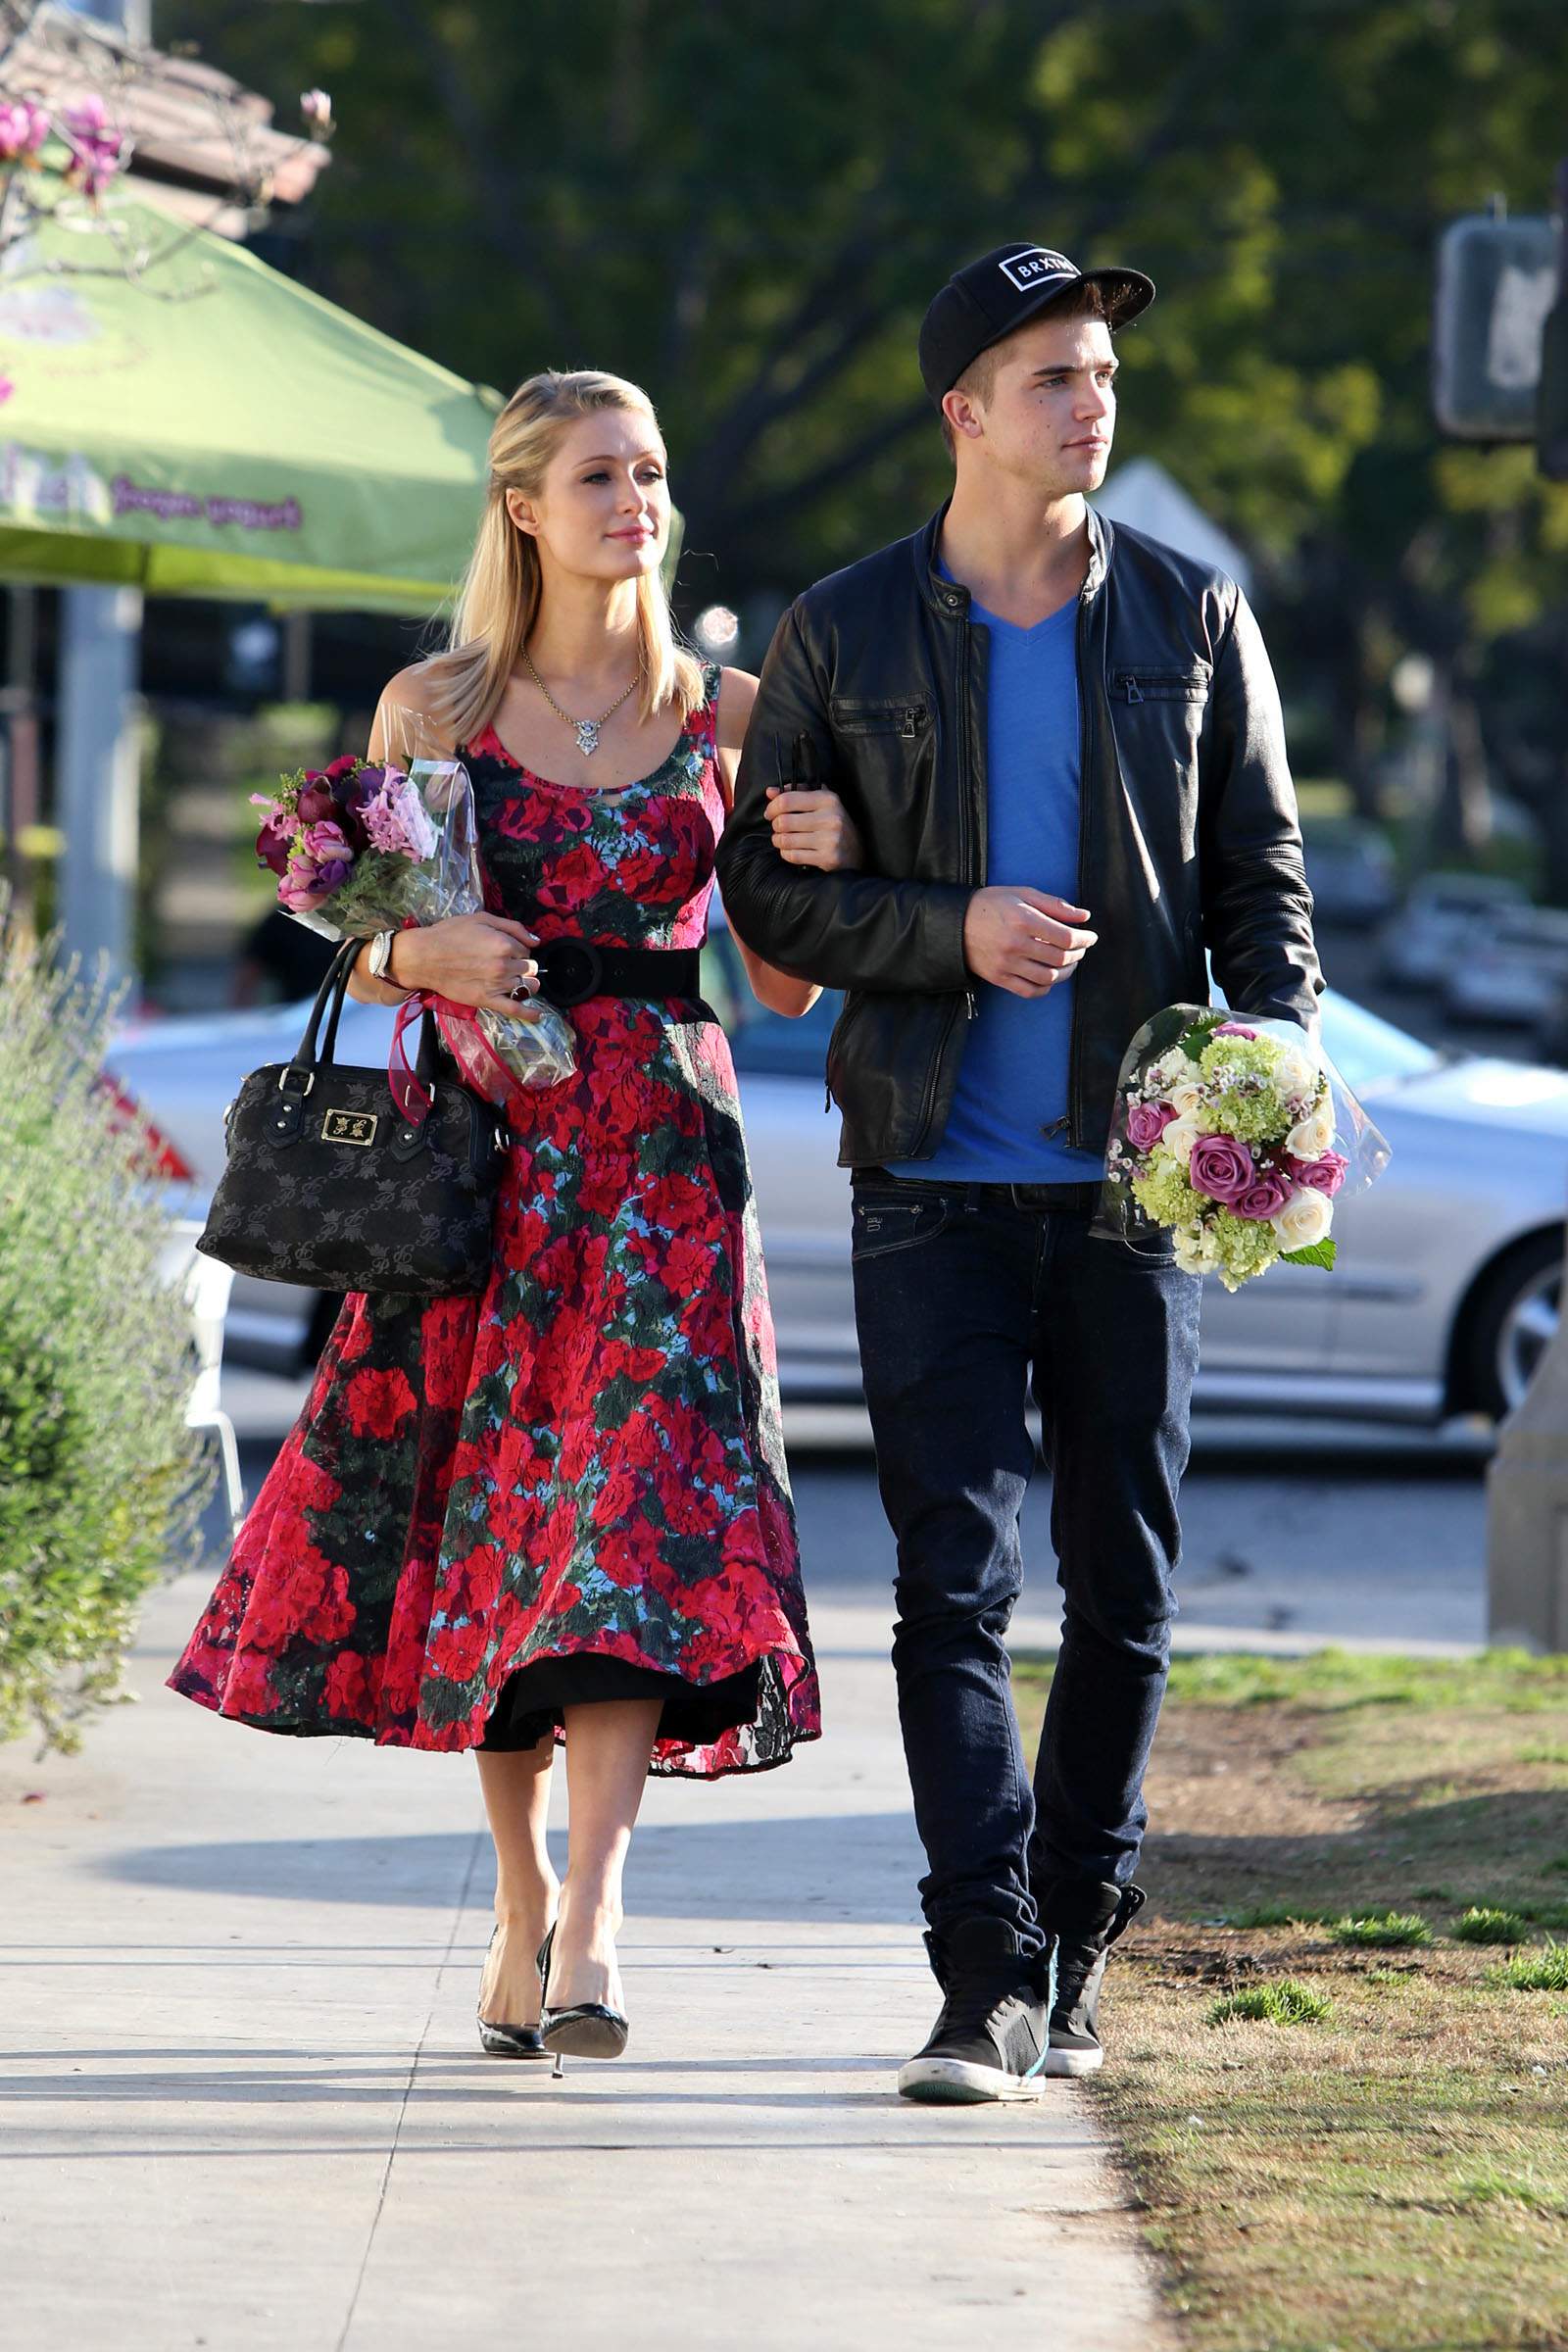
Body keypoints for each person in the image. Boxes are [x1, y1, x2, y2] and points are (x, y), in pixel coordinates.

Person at [170, 368, 860, 2069]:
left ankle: (604, 1918)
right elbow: (352, 932)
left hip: (668, 1178)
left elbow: (775, 986)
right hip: (488, 1172)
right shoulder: (437, 707)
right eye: (601, 474)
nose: (637, 498)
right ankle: (518, 1901)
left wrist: (817, 856)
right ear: (525, 507)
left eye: (652, 470)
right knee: (499, 1540)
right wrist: (419, 951)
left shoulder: (734, 710)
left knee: (628, 1541)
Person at [717, 243, 1323, 2103]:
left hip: (1136, 1189)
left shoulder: (1198, 621)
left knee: (1123, 1585)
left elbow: (1262, 888)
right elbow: (767, 896)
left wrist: (1281, 1048)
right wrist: (942, 927)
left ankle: (1075, 1949)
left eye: (1105, 374)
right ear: (964, 409)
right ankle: (981, 1973)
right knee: (949, 1590)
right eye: (1054, 374)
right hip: (925, 1180)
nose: (1094, 400)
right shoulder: (842, 630)